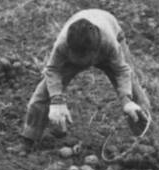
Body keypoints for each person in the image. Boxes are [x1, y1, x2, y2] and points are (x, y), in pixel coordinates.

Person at [20, 9, 151, 149]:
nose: (82, 62)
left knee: (133, 86)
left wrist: (127, 100)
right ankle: (30, 137)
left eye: (84, 58)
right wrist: (57, 100)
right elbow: (52, 70)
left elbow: (122, 70)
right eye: (77, 57)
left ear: (94, 52)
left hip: (109, 28)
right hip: (82, 35)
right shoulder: (62, 44)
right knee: (43, 91)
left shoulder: (110, 44)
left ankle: (144, 140)